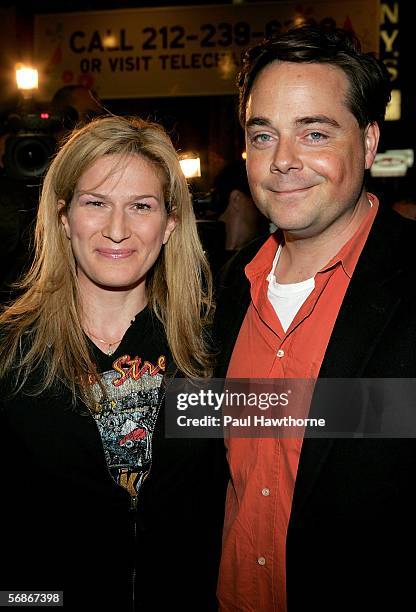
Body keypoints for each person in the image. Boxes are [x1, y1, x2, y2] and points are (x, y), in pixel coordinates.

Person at [215, 24, 416, 611]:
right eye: (263, 134)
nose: (283, 161)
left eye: (315, 132)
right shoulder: (218, 297)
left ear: (370, 142)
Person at [0, 115, 226, 611]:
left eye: (140, 206)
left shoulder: (212, 349)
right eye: (96, 203)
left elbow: (329, 431)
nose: (117, 230)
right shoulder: (10, 352)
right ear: (64, 217)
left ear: (169, 224)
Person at [211, 159, 269, 268]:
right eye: (258, 197)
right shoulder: (204, 256)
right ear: (237, 199)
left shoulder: (267, 255)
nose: (266, 206)